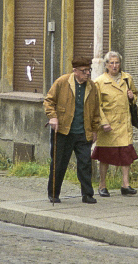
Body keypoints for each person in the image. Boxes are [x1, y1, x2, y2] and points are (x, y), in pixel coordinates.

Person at [43, 56, 103, 204]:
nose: (87, 74)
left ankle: (87, 194)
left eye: (88, 70)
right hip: (63, 131)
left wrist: (94, 130)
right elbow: (49, 101)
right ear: (75, 71)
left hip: (83, 131)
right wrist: (53, 117)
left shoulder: (92, 87)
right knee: (59, 163)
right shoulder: (62, 82)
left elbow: (96, 111)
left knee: (85, 164)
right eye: (83, 71)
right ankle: (54, 194)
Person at [92, 50, 138, 196]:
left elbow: (135, 94)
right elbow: (96, 105)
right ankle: (102, 185)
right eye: (111, 63)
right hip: (109, 125)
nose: (114, 66)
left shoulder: (127, 78)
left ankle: (125, 184)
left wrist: (132, 98)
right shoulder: (99, 82)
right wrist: (103, 122)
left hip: (124, 122)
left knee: (126, 153)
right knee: (105, 155)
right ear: (106, 65)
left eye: (117, 62)